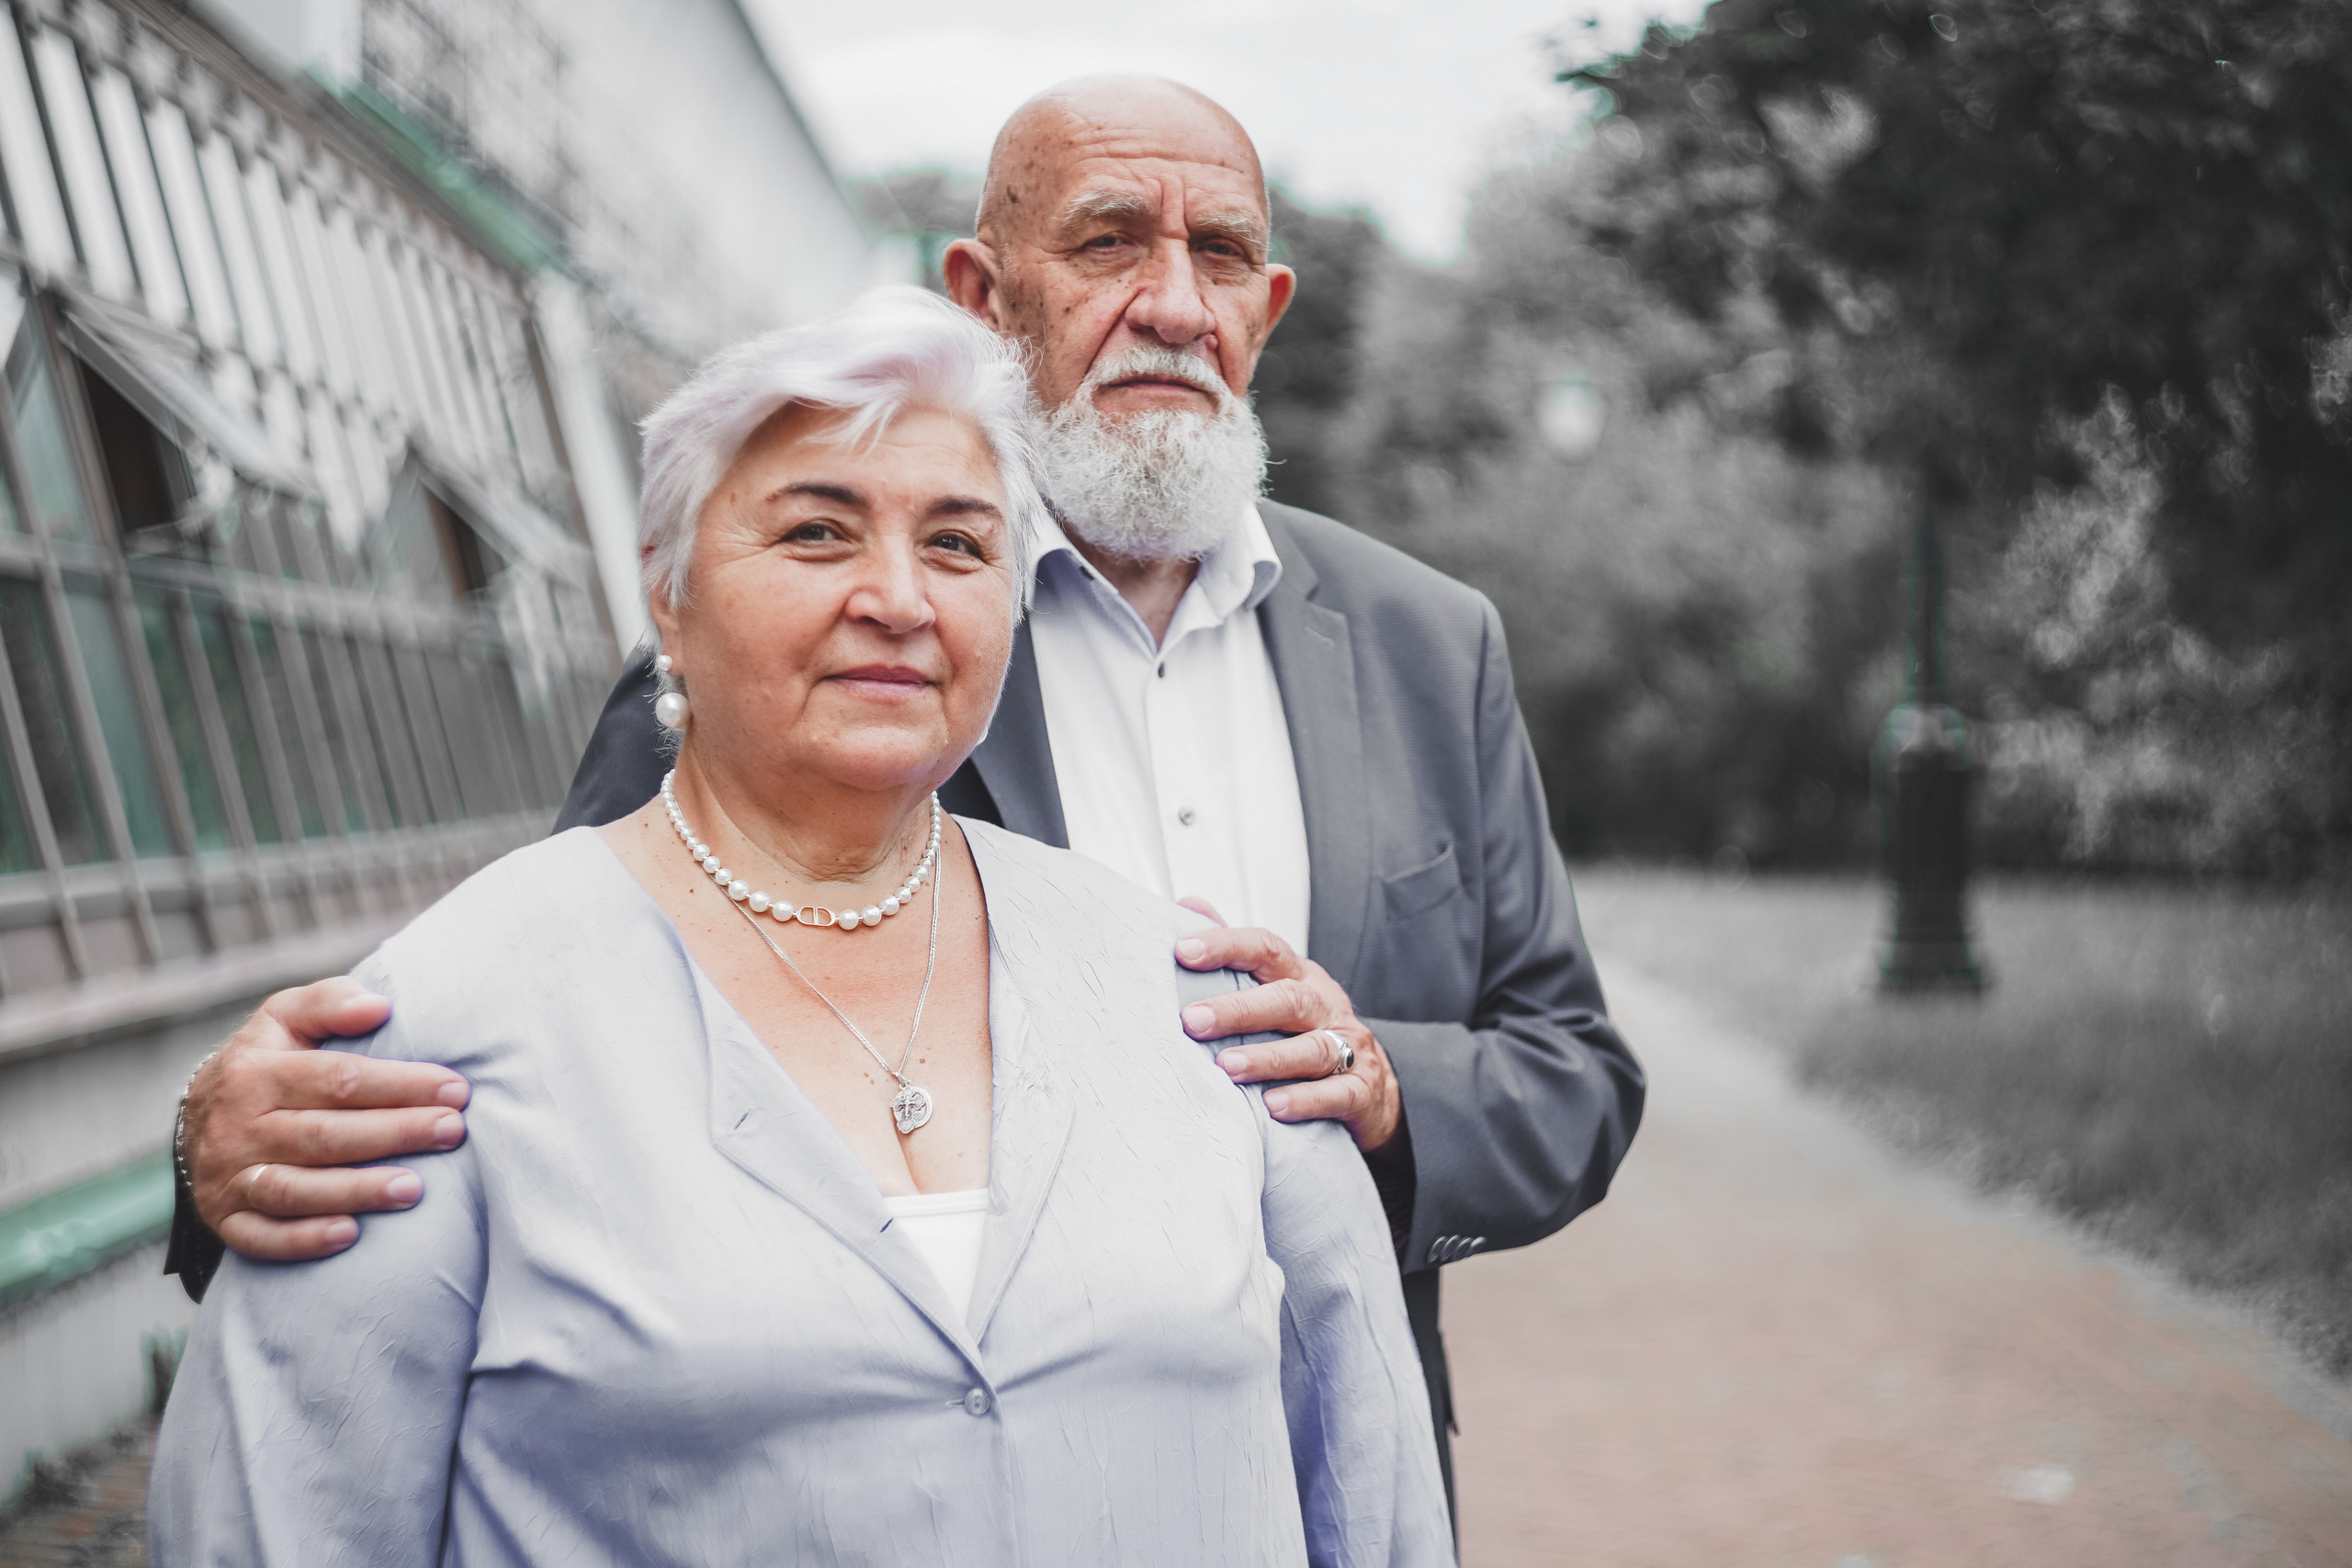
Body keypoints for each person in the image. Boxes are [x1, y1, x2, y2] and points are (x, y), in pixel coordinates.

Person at [165, 75, 1645, 1510]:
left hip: (1322, 1457)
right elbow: (559, 1044)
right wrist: (220, 1151)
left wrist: (1380, 1097)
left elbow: (1575, 1073)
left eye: (1224, 256)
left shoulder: (1428, 643)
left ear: (1267, 312)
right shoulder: (788, 647)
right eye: (1112, 242)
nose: (1177, 304)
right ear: (984, 295)